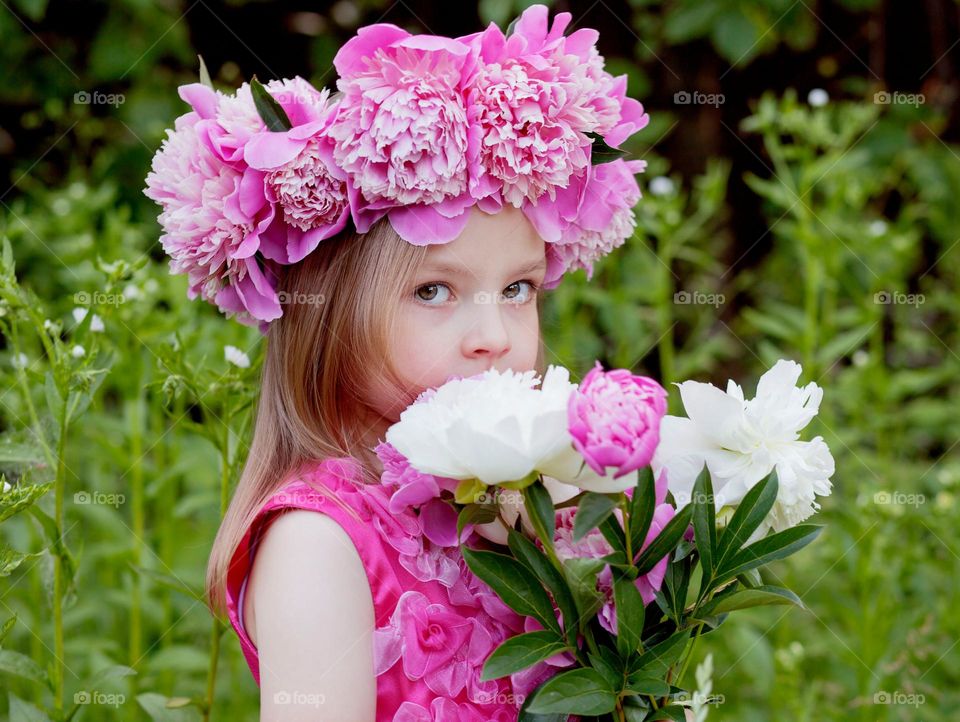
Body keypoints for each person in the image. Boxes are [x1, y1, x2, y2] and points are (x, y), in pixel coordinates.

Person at [144, 4, 651, 719]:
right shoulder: (318, 544)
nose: (494, 336)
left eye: (518, 289)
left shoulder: (534, 497)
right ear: (326, 317)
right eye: (433, 290)